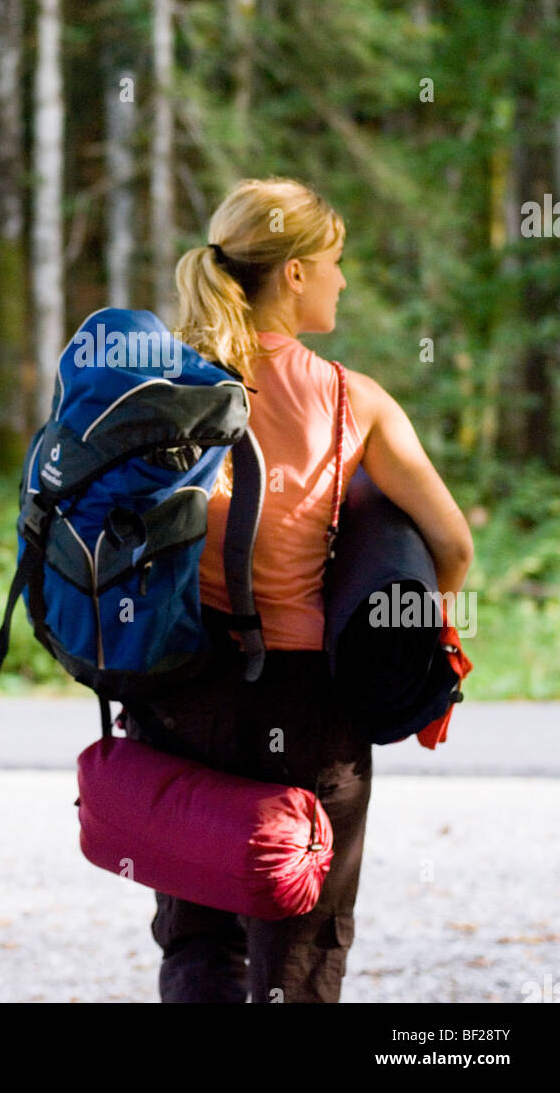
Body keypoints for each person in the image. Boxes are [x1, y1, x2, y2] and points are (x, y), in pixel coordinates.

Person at [121, 176, 474, 1004]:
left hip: (177, 690)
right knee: (300, 950)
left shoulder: (158, 388)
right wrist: (410, 633)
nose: (342, 280)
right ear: (291, 274)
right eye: (334, 262)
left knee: (199, 939)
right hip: (307, 705)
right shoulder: (355, 400)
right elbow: (451, 544)